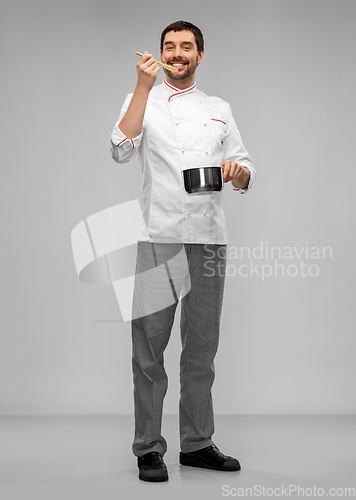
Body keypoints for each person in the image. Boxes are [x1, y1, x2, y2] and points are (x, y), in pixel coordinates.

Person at [110, 20, 256, 482]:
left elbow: (247, 167)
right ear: (160, 53)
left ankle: (197, 443)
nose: (177, 52)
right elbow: (119, 148)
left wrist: (237, 173)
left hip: (210, 241)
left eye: (186, 46)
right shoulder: (144, 102)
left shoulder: (218, 108)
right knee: (149, 351)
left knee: (201, 351)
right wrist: (141, 85)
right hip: (159, 238)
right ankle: (149, 448)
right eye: (170, 46)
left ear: (200, 55)